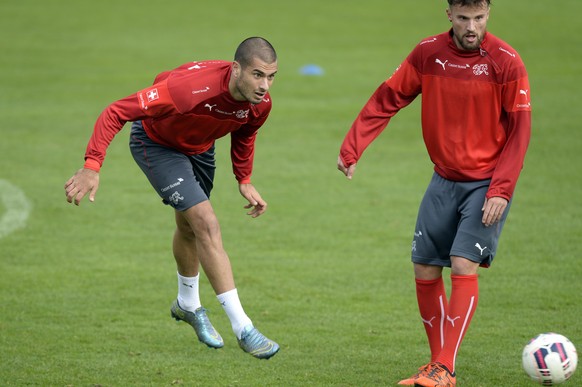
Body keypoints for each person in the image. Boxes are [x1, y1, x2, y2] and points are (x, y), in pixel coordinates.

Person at [337, 1, 531, 385]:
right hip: (442, 180)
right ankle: (436, 364)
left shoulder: (507, 62)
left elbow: (519, 132)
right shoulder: (428, 54)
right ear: (449, 14)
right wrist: (352, 147)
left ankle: (445, 367)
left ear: (488, 12)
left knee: (461, 264)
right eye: (463, 18)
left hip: (486, 183)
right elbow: (387, 97)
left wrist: (501, 189)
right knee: (424, 266)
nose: (471, 26)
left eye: (478, 17)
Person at [65, 37, 280, 360]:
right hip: (157, 145)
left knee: (191, 227)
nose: (265, 85)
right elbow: (116, 111)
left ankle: (187, 305)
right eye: (258, 75)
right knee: (207, 224)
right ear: (236, 69)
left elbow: (245, 133)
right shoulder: (188, 90)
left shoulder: (260, 104)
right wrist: (92, 165)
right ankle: (243, 328)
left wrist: (244, 178)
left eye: (272, 76)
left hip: (200, 147)